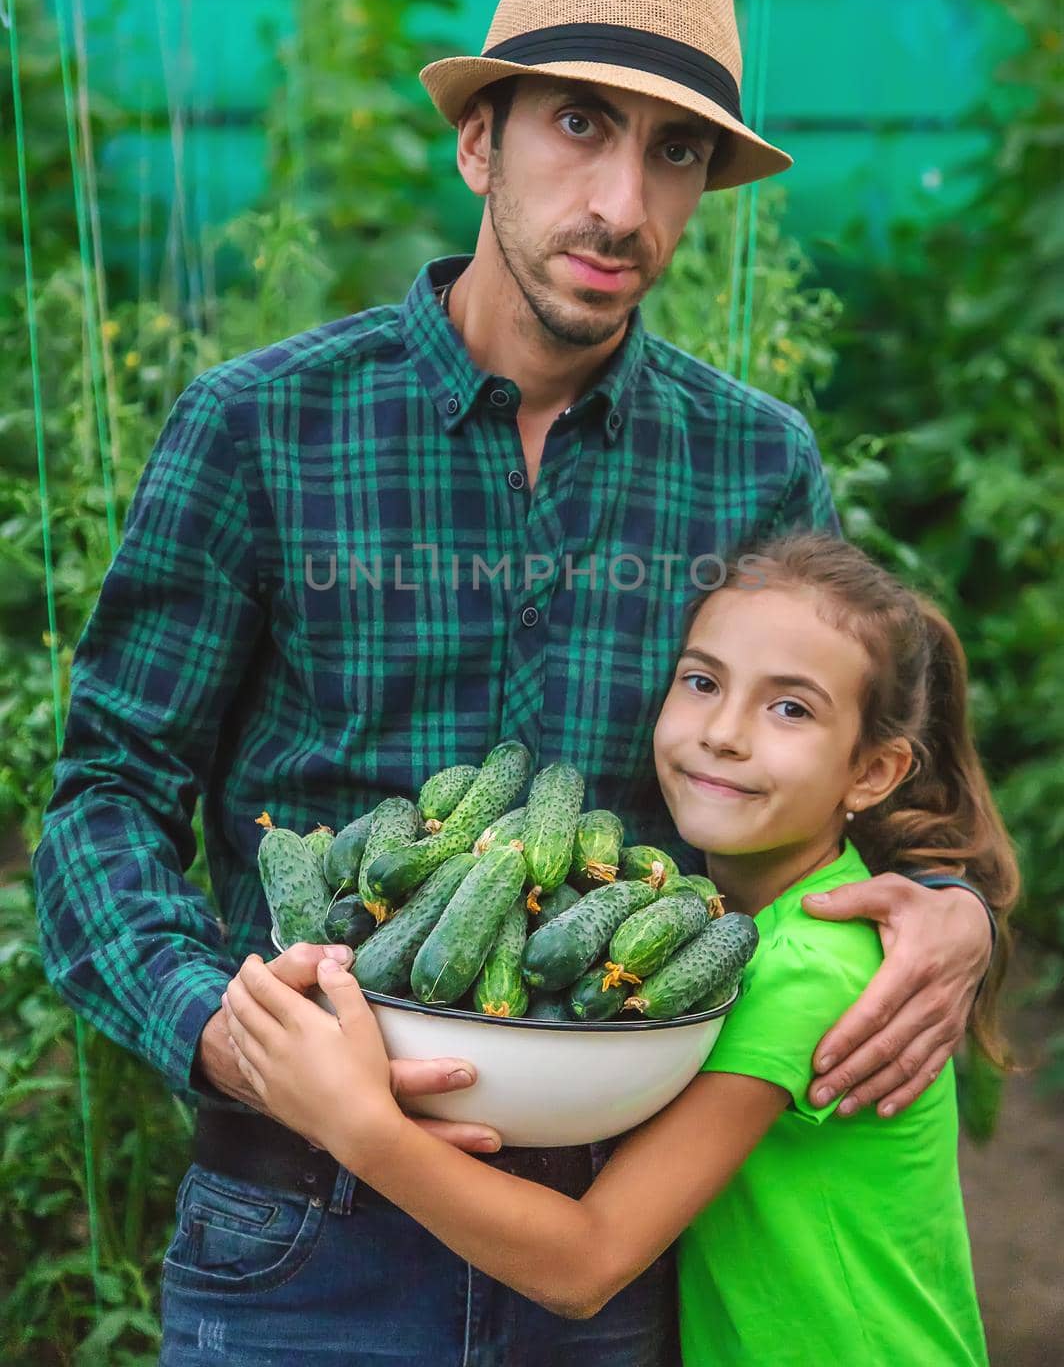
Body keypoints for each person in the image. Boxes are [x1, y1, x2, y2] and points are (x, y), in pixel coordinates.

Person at [33, 0, 998, 1365]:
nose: (622, 202)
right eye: (578, 126)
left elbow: (830, 757)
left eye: (675, 153)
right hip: (306, 1229)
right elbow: (102, 799)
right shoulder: (261, 429)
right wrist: (216, 1030)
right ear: (481, 141)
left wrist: (942, 899)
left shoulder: (753, 462)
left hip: (616, 1222)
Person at [224, 530, 1019, 1365]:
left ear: (873, 772)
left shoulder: (810, 966)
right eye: (704, 682)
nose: (725, 733)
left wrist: (356, 1125)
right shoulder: (739, 935)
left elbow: (586, 1262)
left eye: (791, 707)